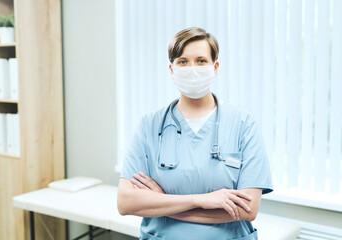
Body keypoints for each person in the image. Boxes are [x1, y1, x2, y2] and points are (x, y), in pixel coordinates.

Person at [117, 27, 273, 240]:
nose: (192, 68)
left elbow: (247, 209)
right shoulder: (149, 126)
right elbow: (126, 203)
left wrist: (162, 201)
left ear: (215, 67)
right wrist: (201, 200)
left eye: (201, 61)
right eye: (183, 61)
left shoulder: (243, 124)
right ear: (172, 69)